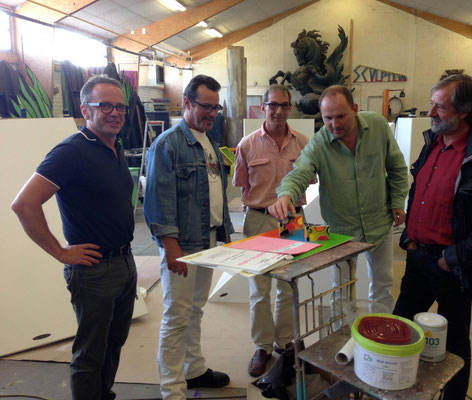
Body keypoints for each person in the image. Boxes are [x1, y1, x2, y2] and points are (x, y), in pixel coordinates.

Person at [11, 75, 137, 400]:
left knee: (113, 343)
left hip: (124, 261)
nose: (115, 112)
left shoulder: (115, 147)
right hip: (94, 271)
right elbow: (24, 204)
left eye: (120, 106)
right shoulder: (72, 151)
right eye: (105, 105)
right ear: (85, 109)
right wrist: (60, 252)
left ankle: (102, 395)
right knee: (90, 353)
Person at [393, 74, 472, 399]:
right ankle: (400, 389)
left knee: (454, 347)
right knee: (400, 330)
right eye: (432, 103)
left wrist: (453, 258)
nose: (430, 112)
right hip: (418, 259)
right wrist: (409, 236)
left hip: (452, 268)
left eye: (439, 106)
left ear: (463, 111)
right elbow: (419, 195)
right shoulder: (432, 143)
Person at [268, 85, 408, 314]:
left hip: (379, 222)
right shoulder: (319, 143)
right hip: (342, 229)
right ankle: (343, 341)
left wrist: (397, 201)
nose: (334, 124)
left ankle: (380, 339)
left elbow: (396, 167)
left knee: (383, 284)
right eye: (328, 118)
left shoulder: (378, 126)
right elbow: (300, 172)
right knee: (341, 289)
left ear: (354, 109)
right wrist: (285, 195)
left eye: (340, 116)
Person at [143, 74, 235, 400]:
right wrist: (170, 245)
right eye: (204, 106)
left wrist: (225, 234)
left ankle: (194, 369)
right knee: (176, 316)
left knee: (196, 310)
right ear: (186, 103)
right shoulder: (167, 145)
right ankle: (172, 391)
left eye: (216, 107)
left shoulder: (210, 142)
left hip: (207, 241)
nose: (211, 113)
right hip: (181, 246)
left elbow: (214, 192)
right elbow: (157, 200)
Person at [233, 84, 312, 377]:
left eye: (284, 105)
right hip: (258, 220)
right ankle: (263, 346)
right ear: (263, 107)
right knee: (259, 288)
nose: (278, 111)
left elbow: (310, 180)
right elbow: (242, 186)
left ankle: (285, 342)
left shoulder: (303, 143)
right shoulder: (247, 144)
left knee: (288, 286)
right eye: (273, 105)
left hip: (292, 222)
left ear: (290, 108)